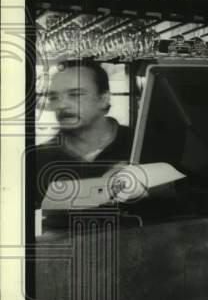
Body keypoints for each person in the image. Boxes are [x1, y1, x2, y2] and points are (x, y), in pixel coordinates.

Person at [35, 60, 134, 205]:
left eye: (75, 95)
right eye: (54, 97)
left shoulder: (141, 143)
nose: (61, 105)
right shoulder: (36, 160)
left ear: (103, 99)